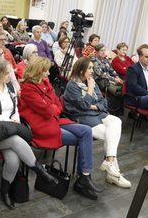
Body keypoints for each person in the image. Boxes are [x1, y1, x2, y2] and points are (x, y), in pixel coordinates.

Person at [0, 58, 58, 209]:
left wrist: (15, 120)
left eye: (11, 72)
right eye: (7, 73)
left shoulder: (10, 88)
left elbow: (15, 110)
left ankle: (4, 192)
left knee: (13, 161)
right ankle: (40, 171)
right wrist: (7, 121)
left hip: (7, 132)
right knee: (16, 141)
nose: (11, 76)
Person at [19, 56, 101, 200]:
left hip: (54, 120)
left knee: (87, 131)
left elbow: (58, 104)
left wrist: (52, 108)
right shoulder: (27, 88)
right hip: (42, 126)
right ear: (37, 71)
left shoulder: (45, 82)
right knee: (83, 138)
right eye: (45, 71)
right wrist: (52, 108)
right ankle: (82, 179)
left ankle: (84, 177)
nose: (49, 74)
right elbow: (47, 110)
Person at [64, 56, 131, 188]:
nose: (92, 71)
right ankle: (114, 174)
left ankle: (109, 162)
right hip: (83, 118)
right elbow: (83, 106)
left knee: (116, 121)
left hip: (96, 113)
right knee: (109, 135)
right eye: (89, 68)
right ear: (81, 70)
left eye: (92, 68)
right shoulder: (72, 85)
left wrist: (95, 106)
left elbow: (103, 101)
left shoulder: (91, 81)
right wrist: (89, 89)